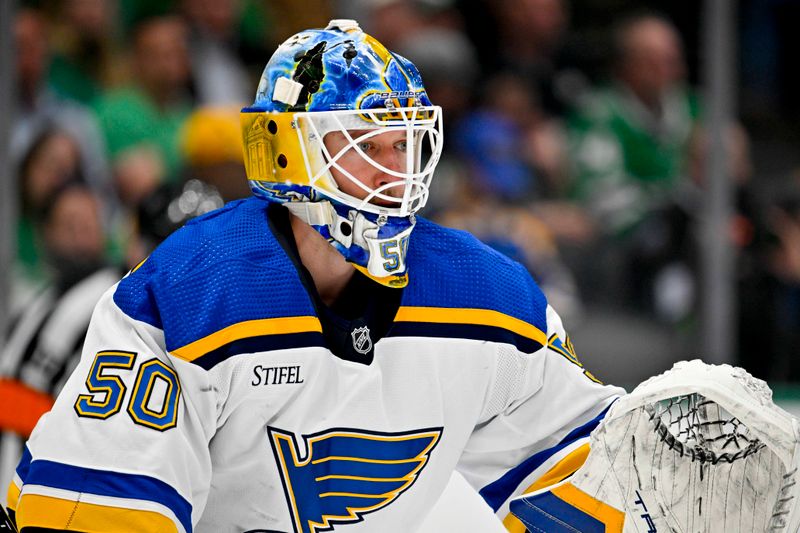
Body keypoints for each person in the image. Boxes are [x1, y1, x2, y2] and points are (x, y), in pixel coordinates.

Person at [5, 20, 622, 532]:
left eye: (403, 144)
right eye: (364, 145)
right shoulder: (192, 293)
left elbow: (603, 476)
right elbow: (97, 512)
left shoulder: (490, 297)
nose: (393, 171)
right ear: (288, 152)